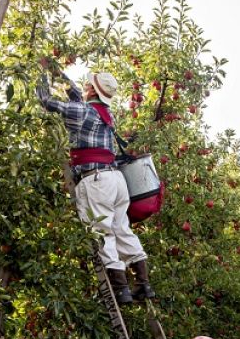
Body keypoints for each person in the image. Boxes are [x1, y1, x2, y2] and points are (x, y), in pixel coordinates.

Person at [36, 63, 155, 303]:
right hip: (116, 180)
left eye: (88, 84)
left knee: (102, 233)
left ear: (92, 91)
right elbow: (76, 95)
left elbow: (47, 102)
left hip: (96, 180)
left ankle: (120, 289)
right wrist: (56, 71)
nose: (85, 85)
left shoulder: (82, 112)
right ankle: (143, 285)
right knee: (122, 229)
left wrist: (38, 74)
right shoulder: (103, 113)